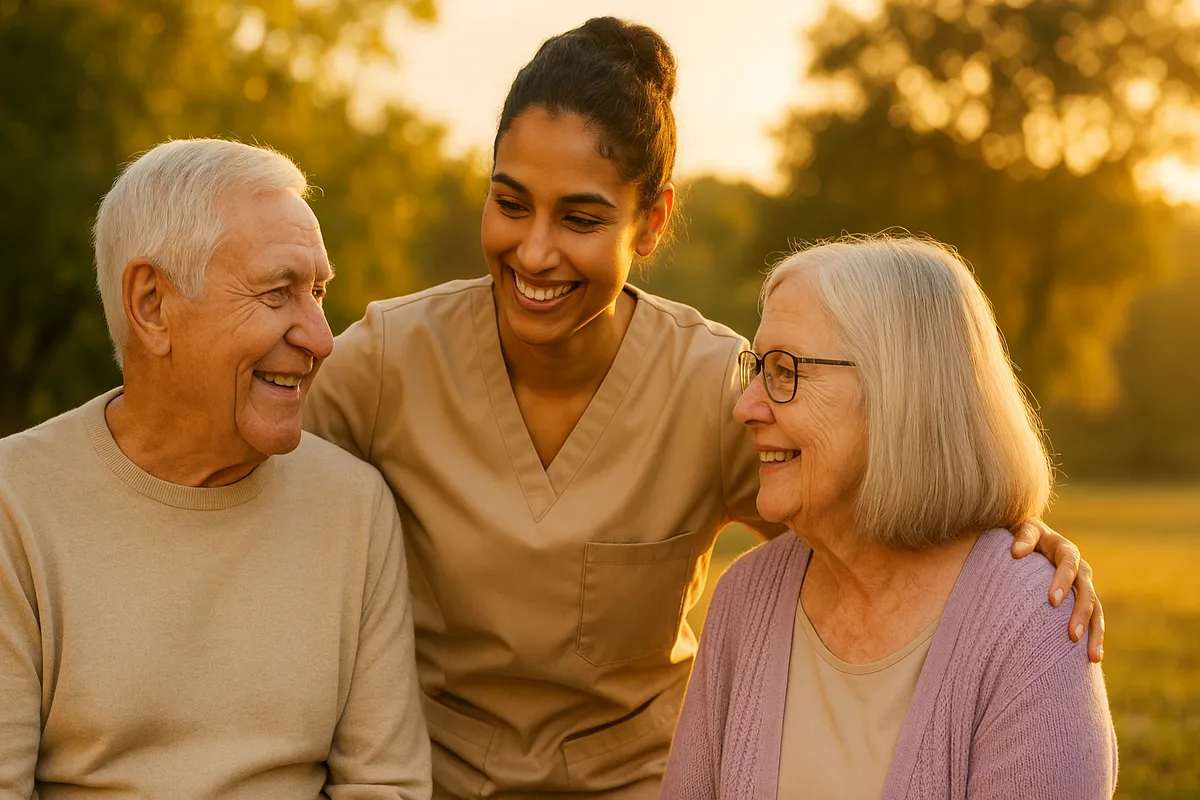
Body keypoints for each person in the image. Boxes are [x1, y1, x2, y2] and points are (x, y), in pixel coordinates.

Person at [304, 18, 1103, 798]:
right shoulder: (386, 360)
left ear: (650, 222)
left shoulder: (721, 384)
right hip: (430, 779)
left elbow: (870, 522)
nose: (535, 251)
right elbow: (245, 475)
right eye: (511, 204)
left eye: (581, 218)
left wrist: (1008, 555)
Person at [0, 139, 431, 798]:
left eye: (317, 292)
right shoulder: (15, 505)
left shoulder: (355, 508)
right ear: (152, 305)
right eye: (278, 291)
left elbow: (386, 788)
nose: (321, 337)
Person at [661, 235, 1118, 799]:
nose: (746, 407)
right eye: (756, 368)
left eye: (784, 370)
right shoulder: (745, 599)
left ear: (898, 392)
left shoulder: (1033, 625)